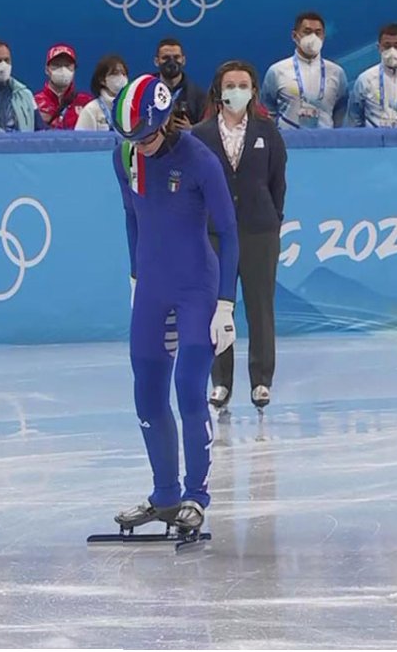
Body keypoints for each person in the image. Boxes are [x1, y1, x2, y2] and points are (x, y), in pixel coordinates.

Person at [109, 74, 240, 535]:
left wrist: (226, 304)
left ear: (165, 123)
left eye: (146, 137)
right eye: (131, 138)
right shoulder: (125, 155)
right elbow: (130, 216)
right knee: (146, 392)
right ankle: (164, 495)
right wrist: (134, 276)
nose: (139, 147)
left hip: (195, 290)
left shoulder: (200, 161)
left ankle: (195, 496)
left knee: (188, 388)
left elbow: (229, 232)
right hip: (151, 287)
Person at [192, 60, 287, 413]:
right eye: (230, 85)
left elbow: (277, 182)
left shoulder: (267, 131)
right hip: (214, 234)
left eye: (243, 85)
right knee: (217, 306)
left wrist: (272, 220)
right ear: (218, 91)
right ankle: (221, 381)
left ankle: (261, 379)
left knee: (260, 306)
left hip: (259, 231)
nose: (236, 91)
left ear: (253, 91)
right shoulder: (200, 135)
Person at [261, 11, 349, 129]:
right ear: (294, 36)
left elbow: (341, 110)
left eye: (318, 33)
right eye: (307, 32)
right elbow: (267, 109)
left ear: (323, 37)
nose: (313, 37)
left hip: (325, 138)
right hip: (287, 138)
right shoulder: (277, 71)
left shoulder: (337, 72)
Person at [34, 43, 93, 130]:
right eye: (57, 65)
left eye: (68, 65)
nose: (63, 70)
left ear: (74, 69)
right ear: (47, 69)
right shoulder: (35, 103)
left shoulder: (87, 102)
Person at [76, 54, 128, 131]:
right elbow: (81, 138)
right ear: (102, 80)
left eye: (123, 74)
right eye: (115, 73)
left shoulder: (131, 108)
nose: (121, 77)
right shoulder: (91, 110)